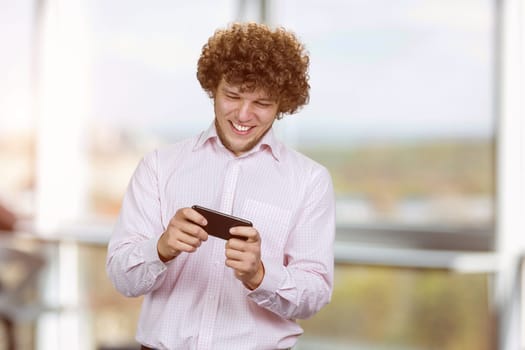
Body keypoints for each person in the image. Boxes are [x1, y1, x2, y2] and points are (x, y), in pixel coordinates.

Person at [106, 22, 335, 350]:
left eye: (262, 103)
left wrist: (259, 275)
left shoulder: (310, 181)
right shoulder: (159, 167)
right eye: (233, 95)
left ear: (282, 104)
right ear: (213, 87)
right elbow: (121, 277)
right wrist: (161, 248)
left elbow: (314, 294)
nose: (244, 114)